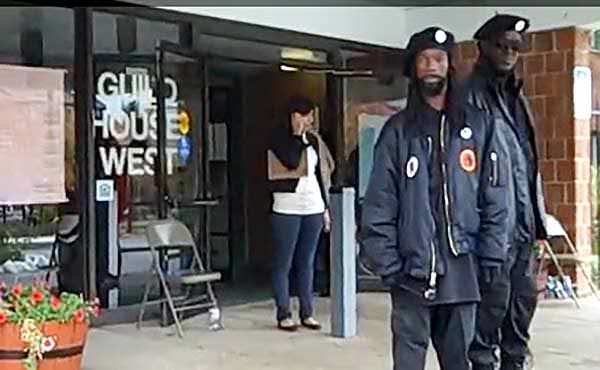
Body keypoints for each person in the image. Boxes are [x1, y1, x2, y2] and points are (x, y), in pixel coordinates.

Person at [360, 27, 511, 370]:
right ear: (414, 69)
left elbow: (496, 197)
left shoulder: (478, 126)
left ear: (449, 67)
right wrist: (389, 265)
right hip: (410, 274)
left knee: (459, 363)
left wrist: (490, 256)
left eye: (439, 59)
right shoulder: (397, 131)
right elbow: (379, 202)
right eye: (424, 60)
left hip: (462, 272)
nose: (431, 66)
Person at [464, 14, 548, 370]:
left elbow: (529, 165)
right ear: (483, 47)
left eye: (516, 47)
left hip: (524, 232)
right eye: (502, 45)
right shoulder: (468, 97)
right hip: (491, 236)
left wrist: (539, 227)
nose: (510, 53)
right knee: (484, 332)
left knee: (519, 326)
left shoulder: (517, 96)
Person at [267, 96, 332, 332]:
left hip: (312, 204)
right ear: (294, 116)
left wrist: (325, 208)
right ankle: (284, 312)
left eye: (311, 116)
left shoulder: (313, 141)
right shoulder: (279, 138)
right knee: (284, 261)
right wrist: (297, 136)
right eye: (306, 116)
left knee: (307, 261)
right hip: (287, 205)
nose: (310, 120)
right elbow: (292, 162)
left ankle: (308, 312)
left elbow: (319, 174)